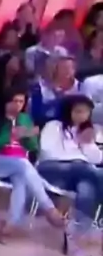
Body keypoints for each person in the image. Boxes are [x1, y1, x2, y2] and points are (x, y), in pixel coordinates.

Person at [0, 88, 66, 242]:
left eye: (21, 102)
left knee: (21, 178)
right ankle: (49, 209)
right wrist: (9, 135)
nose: (17, 105)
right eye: (14, 101)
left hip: (19, 164)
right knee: (23, 165)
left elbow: (33, 147)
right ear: (6, 101)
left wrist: (27, 136)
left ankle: (10, 225)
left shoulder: (25, 119)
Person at [38, 95, 103, 237]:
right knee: (87, 170)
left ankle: (79, 231)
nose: (82, 115)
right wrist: (75, 159)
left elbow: (97, 159)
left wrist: (87, 144)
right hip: (51, 168)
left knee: (86, 188)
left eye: (86, 112)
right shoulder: (53, 126)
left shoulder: (87, 131)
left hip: (81, 173)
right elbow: (47, 152)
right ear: (69, 111)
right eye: (78, 111)